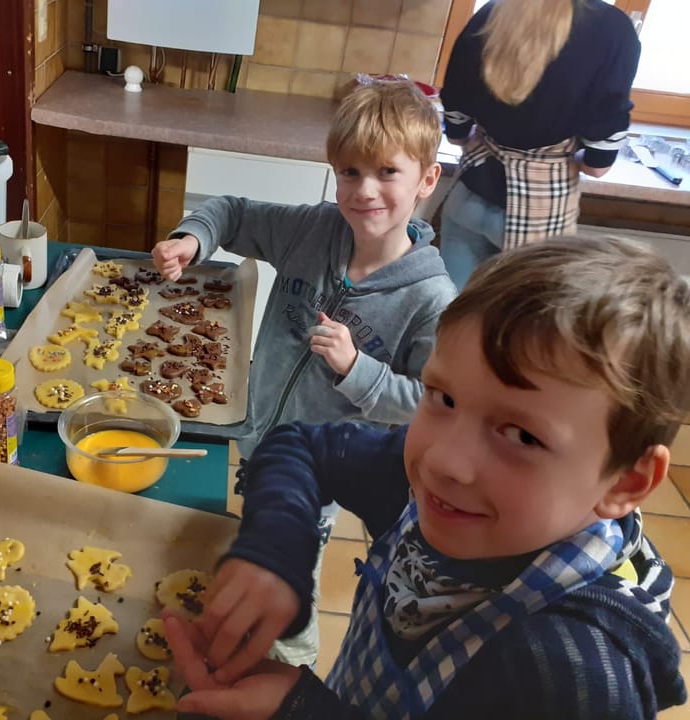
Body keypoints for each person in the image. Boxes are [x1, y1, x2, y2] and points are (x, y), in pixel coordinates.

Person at [163, 235, 690, 719]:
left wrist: (302, 711)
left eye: (523, 436)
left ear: (625, 482)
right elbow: (305, 446)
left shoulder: (575, 677)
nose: (443, 461)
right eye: (443, 398)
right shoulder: (445, 486)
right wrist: (278, 551)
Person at [151, 79, 457, 667]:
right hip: (256, 428)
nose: (364, 191)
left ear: (426, 179)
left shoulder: (431, 300)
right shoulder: (314, 230)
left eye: (386, 172)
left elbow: (429, 404)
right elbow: (234, 212)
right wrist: (193, 238)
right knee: (247, 538)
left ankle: (291, 662)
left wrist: (356, 369)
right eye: (348, 172)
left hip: (318, 474)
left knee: (288, 579)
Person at [438, 0, 640, 290]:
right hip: (540, 214)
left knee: (449, 315)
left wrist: (477, 138)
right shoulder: (613, 29)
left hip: (469, 198)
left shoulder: (492, 13)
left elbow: (456, 124)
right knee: (516, 329)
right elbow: (598, 165)